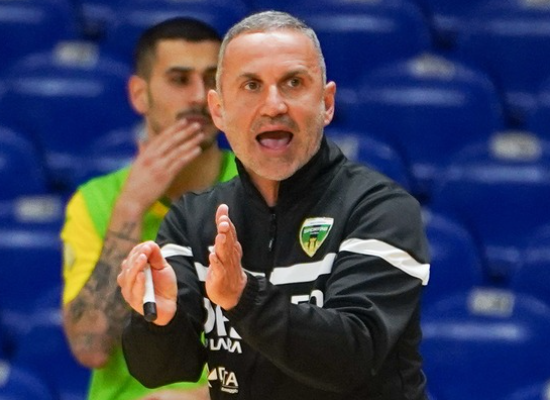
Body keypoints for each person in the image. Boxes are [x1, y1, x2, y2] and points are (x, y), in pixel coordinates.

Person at [118, 10, 431, 400]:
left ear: (326, 102)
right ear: (218, 110)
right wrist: (157, 322)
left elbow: (352, 357)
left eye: (293, 83)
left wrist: (243, 296)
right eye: (251, 85)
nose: (273, 105)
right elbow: (161, 369)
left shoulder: (380, 209)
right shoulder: (192, 219)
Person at [61, 17, 238, 400]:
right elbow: (90, 347)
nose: (199, 96)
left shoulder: (263, 190)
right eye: (179, 80)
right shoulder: (96, 200)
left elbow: (297, 350)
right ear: (140, 94)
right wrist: (130, 208)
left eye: (212, 79)